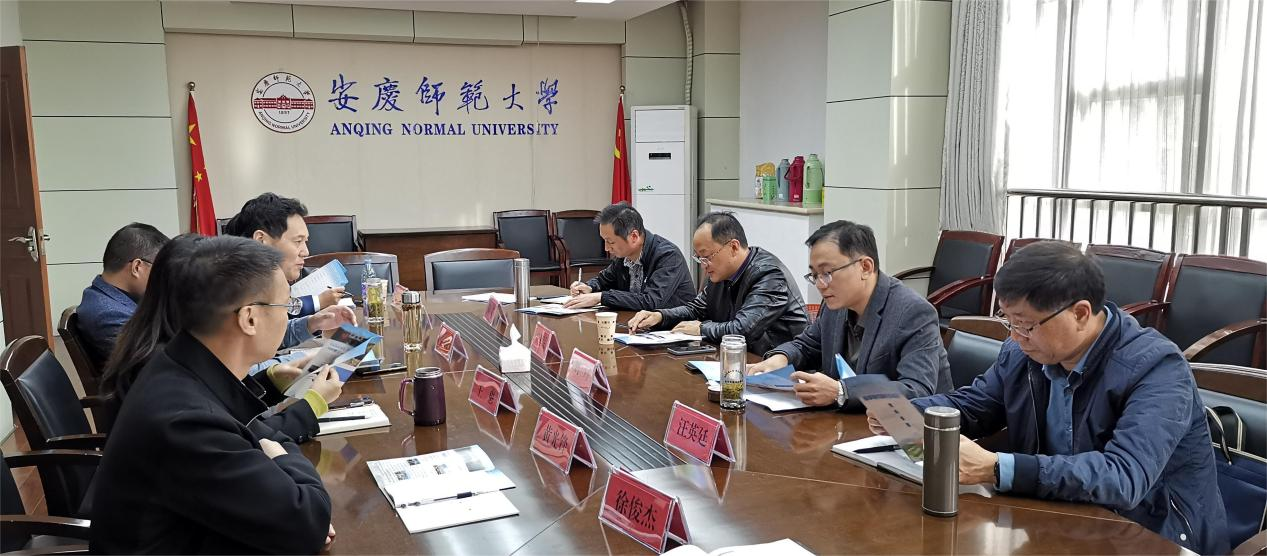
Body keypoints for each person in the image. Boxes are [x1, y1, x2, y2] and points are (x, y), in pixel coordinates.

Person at [867, 241, 1227, 554]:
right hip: (1057, 519)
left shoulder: (1157, 368)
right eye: (1008, 321)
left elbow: (1122, 477)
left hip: (1149, 535)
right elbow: (977, 405)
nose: (1015, 336)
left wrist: (997, 468)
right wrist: (903, 413)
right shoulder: (1023, 352)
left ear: (1080, 313)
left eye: (1025, 324)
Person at [90, 236, 334, 554]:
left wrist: (277, 453)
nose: (288, 316)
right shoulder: (188, 422)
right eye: (286, 305)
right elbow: (308, 522)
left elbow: (266, 434)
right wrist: (282, 458)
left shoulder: (182, 361)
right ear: (249, 318)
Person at [99, 234, 342, 444]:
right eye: (286, 305)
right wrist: (313, 404)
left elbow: (234, 420)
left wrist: (270, 380)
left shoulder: (166, 348)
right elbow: (246, 438)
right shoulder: (171, 372)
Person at [747, 220, 951, 410]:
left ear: (865, 267)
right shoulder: (835, 304)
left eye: (827, 273)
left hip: (913, 429)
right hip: (852, 423)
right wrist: (781, 358)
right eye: (815, 275)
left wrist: (841, 391)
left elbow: (917, 389)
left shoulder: (913, 312)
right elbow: (807, 345)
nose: (820, 285)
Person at [626, 212, 808, 354]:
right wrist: (660, 316)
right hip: (740, 359)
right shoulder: (722, 273)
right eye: (699, 258)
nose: (703, 265)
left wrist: (701, 328)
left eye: (706, 256)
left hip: (781, 366)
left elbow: (744, 329)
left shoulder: (768, 274)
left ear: (733, 247)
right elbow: (696, 309)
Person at [223, 193, 356, 348]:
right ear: (261, 240)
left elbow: (269, 337)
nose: (306, 252)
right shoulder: (230, 294)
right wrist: (306, 359)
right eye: (298, 241)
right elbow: (250, 360)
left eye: (305, 241)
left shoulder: (262, 284)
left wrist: (313, 323)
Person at [563, 203, 694, 311]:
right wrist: (589, 287)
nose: (606, 248)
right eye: (604, 241)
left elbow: (651, 301)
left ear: (634, 236)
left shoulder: (668, 256)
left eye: (610, 242)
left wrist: (601, 297)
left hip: (673, 329)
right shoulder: (623, 256)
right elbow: (604, 280)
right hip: (634, 324)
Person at [76, 223, 169, 364]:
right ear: (137, 267)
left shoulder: (102, 295)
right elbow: (161, 362)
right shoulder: (108, 314)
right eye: (161, 270)